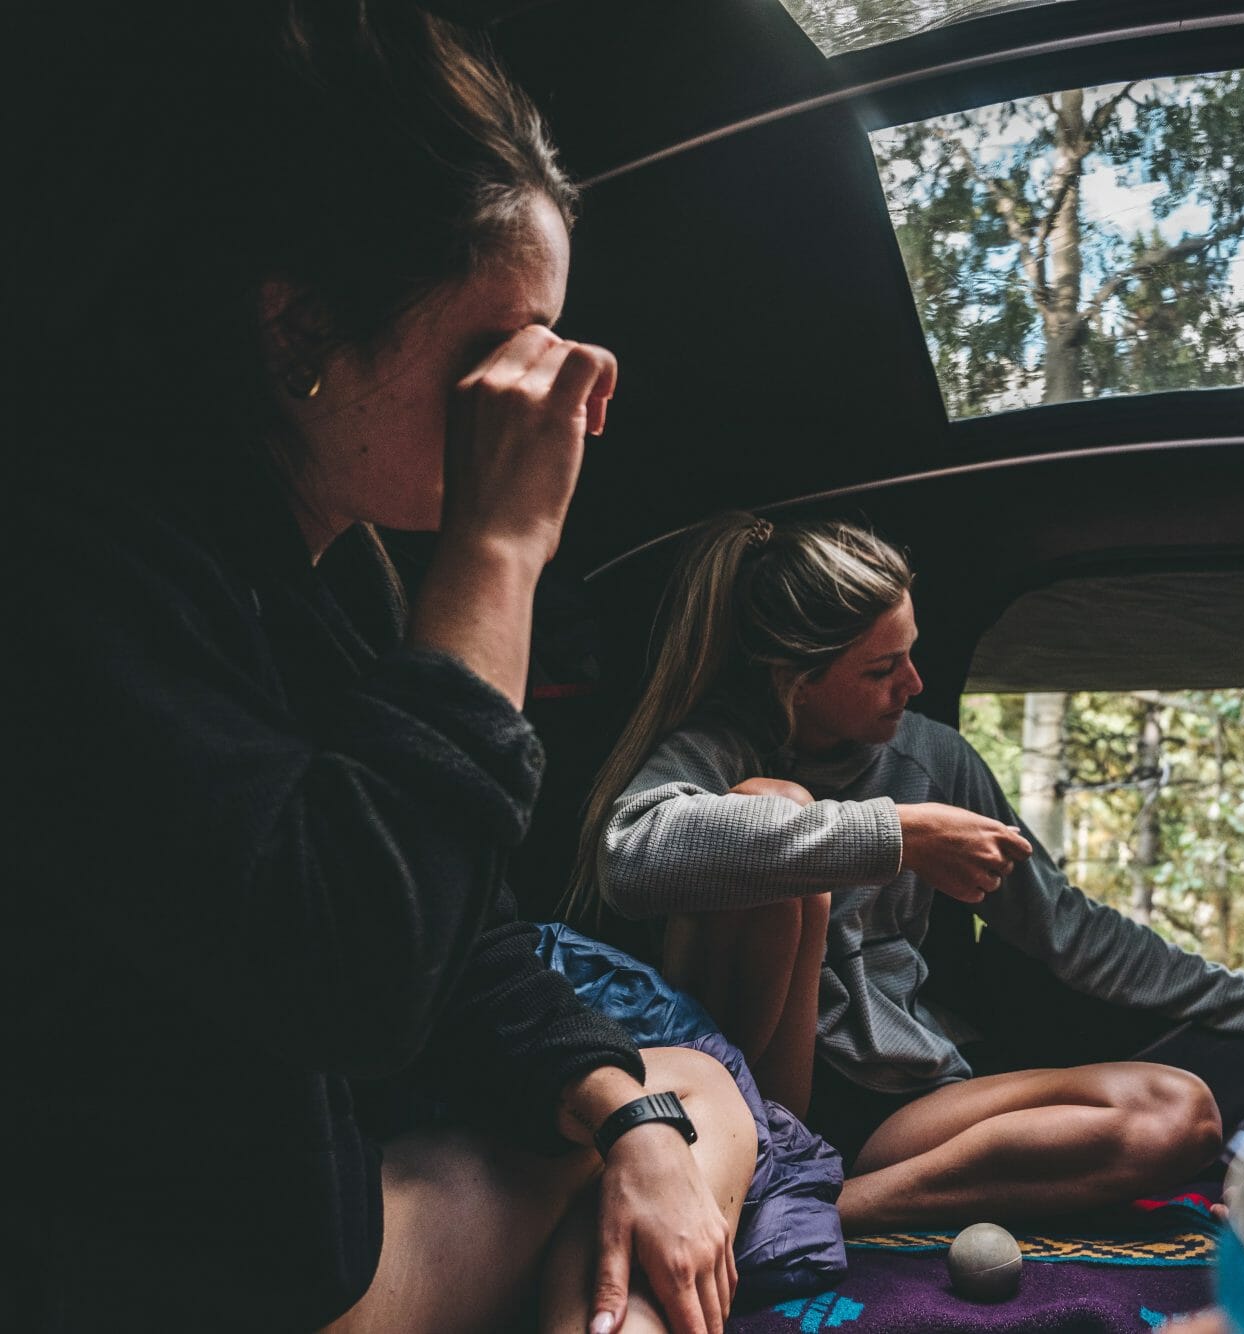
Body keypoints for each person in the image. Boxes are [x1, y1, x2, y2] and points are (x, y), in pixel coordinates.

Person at [9, 6, 754, 1333]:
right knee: (704, 1107)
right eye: (496, 352)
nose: (539, 397)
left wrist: (624, 1113)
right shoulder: (74, 559)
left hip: (276, 1231)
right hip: (175, 1275)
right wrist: (498, 551)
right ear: (300, 334)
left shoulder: (328, 575)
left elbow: (459, 932)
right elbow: (356, 971)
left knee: (674, 1107)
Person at [563, 513, 1244, 1232]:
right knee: (772, 806)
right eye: (881, 670)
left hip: (898, 1104)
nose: (913, 683)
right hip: (756, 1098)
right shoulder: (717, 751)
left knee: (1178, 1114)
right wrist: (895, 836)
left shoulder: (933, 759)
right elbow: (629, 855)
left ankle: (825, 1210)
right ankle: (769, 1166)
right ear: (796, 681)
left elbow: (1064, 924)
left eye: (910, 654)